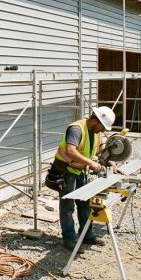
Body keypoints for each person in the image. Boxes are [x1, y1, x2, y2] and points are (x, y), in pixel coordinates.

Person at [53, 106, 124, 248]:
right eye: (102, 127)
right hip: (66, 171)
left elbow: (98, 151)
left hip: (80, 171)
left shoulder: (94, 132)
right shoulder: (76, 129)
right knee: (67, 206)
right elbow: (70, 151)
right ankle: (69, 239)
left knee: (85, 204)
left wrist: (112, 164)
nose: (102, 130)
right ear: (96, 121)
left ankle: (87, 235)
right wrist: (90, 163)